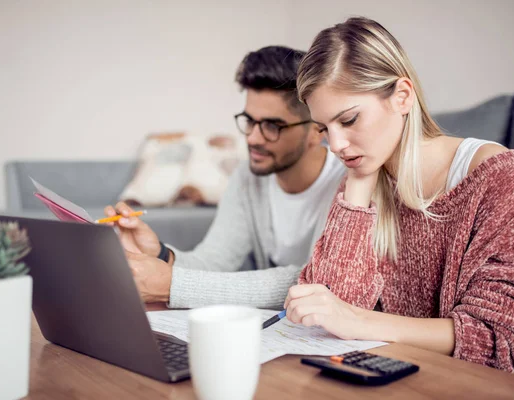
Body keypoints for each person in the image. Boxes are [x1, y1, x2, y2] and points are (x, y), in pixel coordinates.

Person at [284, 17, 514, 384]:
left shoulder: (495, 174)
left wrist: (359, 321)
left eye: (348, 120)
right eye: (323, 129)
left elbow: (507, 339)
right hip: (413, 379)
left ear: (402, 96)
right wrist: (359, 183)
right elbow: (328, 310)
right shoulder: (364, 172)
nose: (335, 145)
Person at [105, 46, 345, 309]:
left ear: (316, 130)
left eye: (271, 126)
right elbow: (215, 262)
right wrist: (160, 254)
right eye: (249, 121)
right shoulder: (248, 177)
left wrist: (173, 286)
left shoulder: (345, 185)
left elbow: (313, 280)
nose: (252, 138)